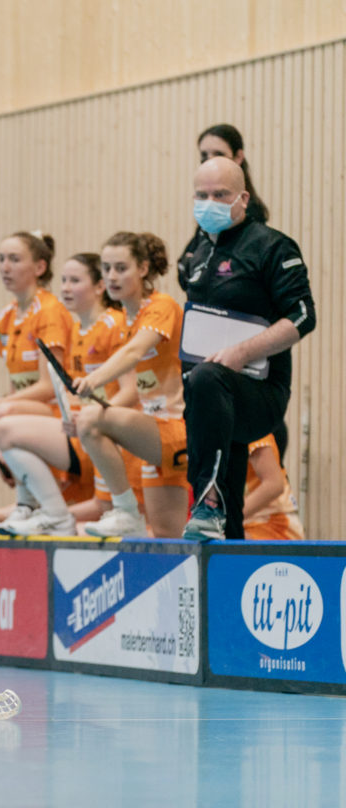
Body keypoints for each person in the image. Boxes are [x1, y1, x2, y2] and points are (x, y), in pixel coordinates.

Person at [179, 156, 315, 539]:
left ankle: (208, 503)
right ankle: (220, 527)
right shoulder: (199, 252)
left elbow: (303, 316)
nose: (209, 203)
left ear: (243, 198)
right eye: (201, 195)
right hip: (208, 394)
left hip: (259, 391)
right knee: (227, 519)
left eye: (220, 195)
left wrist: (241, 353)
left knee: (208, 377)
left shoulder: (272, 246)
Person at [0, 253, 136, 536]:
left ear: (99, 287)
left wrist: (93, 419)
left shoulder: (116, 324)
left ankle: (53, 514)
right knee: (5, 426)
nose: (66, 288)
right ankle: (32, 508)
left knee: (6, 426)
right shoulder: (76, 330)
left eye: (75, 281)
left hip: (110, 435)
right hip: (82, 429)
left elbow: (131, 392)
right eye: (64, 281)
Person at [73, 232, 188, 538]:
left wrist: (94, 379)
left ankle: (125, 510)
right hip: (153, 431)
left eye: (121, 268)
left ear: (143, 268)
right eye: (106, 268)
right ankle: (129, 518)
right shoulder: (125, 317)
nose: (112, 276)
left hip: (175, 428)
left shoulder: (161, 306)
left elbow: (134, 351)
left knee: (90, 420)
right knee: (168, 536)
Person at [0, 231, 76, 528]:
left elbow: (50, 387)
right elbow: (14, 387)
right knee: (5, 416)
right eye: (1, 259)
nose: (5, 267)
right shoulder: (6, 317)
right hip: (31, 413)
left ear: (39, 267)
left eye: (14, 259)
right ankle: (25, 507)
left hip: (63, 414)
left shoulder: (50, 312)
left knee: (3, 412)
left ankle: (48, 512)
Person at [177, 124, 270, 290]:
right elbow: (186, 269)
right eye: (204, 156)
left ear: (238, 157)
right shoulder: (207, 213)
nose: (211, 161)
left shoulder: (251, 218)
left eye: (219, 154)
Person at [242, 434, 303, 540]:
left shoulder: (252, 433)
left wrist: (230, 519)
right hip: (247, 523)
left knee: (220, 540)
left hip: (274, 524)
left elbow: (274, 485)